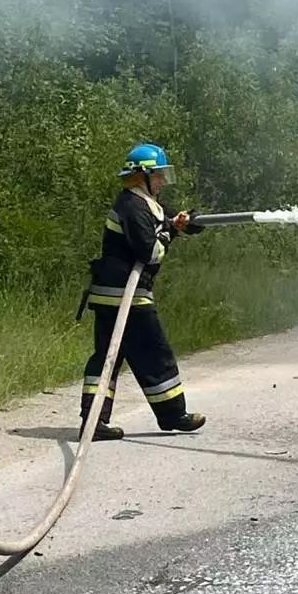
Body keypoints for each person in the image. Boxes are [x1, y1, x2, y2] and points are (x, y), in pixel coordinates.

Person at [77, 142, 206, 440]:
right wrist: (172, 231)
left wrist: (190, 222)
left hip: (113, 294)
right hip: (127, 296)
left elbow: (170, 219)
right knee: (155, 353)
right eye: (158, 175)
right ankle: (174, 416)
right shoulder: (133, 206)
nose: (162, 181)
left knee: (107, 357)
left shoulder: (144, 202)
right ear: (141, 176)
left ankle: (93, 421)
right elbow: (150, 251)